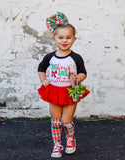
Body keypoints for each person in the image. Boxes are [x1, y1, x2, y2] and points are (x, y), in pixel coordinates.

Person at [38, 11, 90, 158]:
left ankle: (70, 139)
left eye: (68, 37)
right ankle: (57, 144)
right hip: (54, 91)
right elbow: (41, 69)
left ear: (74, 39)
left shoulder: (76, 57)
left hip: (69, 92)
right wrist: (44, 80)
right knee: (55, 121)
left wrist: (77, 78)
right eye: (61, 37)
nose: (64, 40)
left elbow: (83, 73)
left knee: (66, 121)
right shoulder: (50, 57)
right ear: (54, 38)